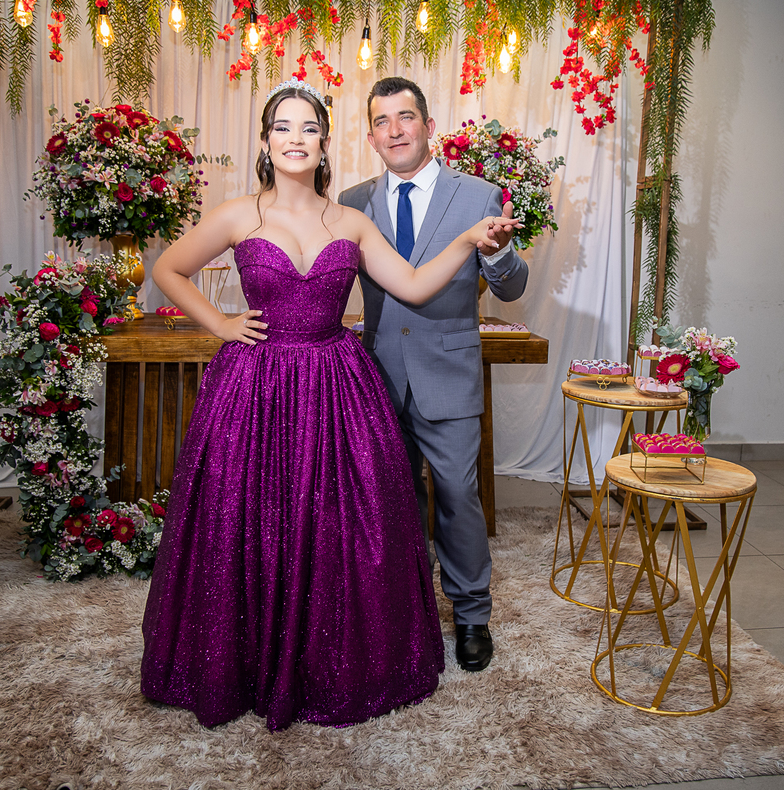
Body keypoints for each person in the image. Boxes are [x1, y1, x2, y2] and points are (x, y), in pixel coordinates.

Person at [139, 79, 519, 731]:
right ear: (266, 142)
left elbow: (414, 285)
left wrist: (464, 242)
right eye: (283, 127)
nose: (296, 139)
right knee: (249, 517)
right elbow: (168, 269)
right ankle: (249, 656)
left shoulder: (349, 219)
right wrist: (222, 323)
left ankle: (330, 655)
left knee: (338, 520)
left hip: (334, 381)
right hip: (255, 388)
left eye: (309, 128)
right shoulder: (238, 213)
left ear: (325, 142)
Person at [338, 78, 528, 672]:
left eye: (406, 117)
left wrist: (497, 253)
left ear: (428, 125)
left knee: (457, 495)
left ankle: (471, 616)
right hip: (374, 376)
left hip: (448, 372)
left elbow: (511, 288)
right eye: (382, 121)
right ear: (371, 136)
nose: (395, 130)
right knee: (388, 500)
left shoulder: (477, 195)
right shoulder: (350, 201)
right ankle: (403, 608)